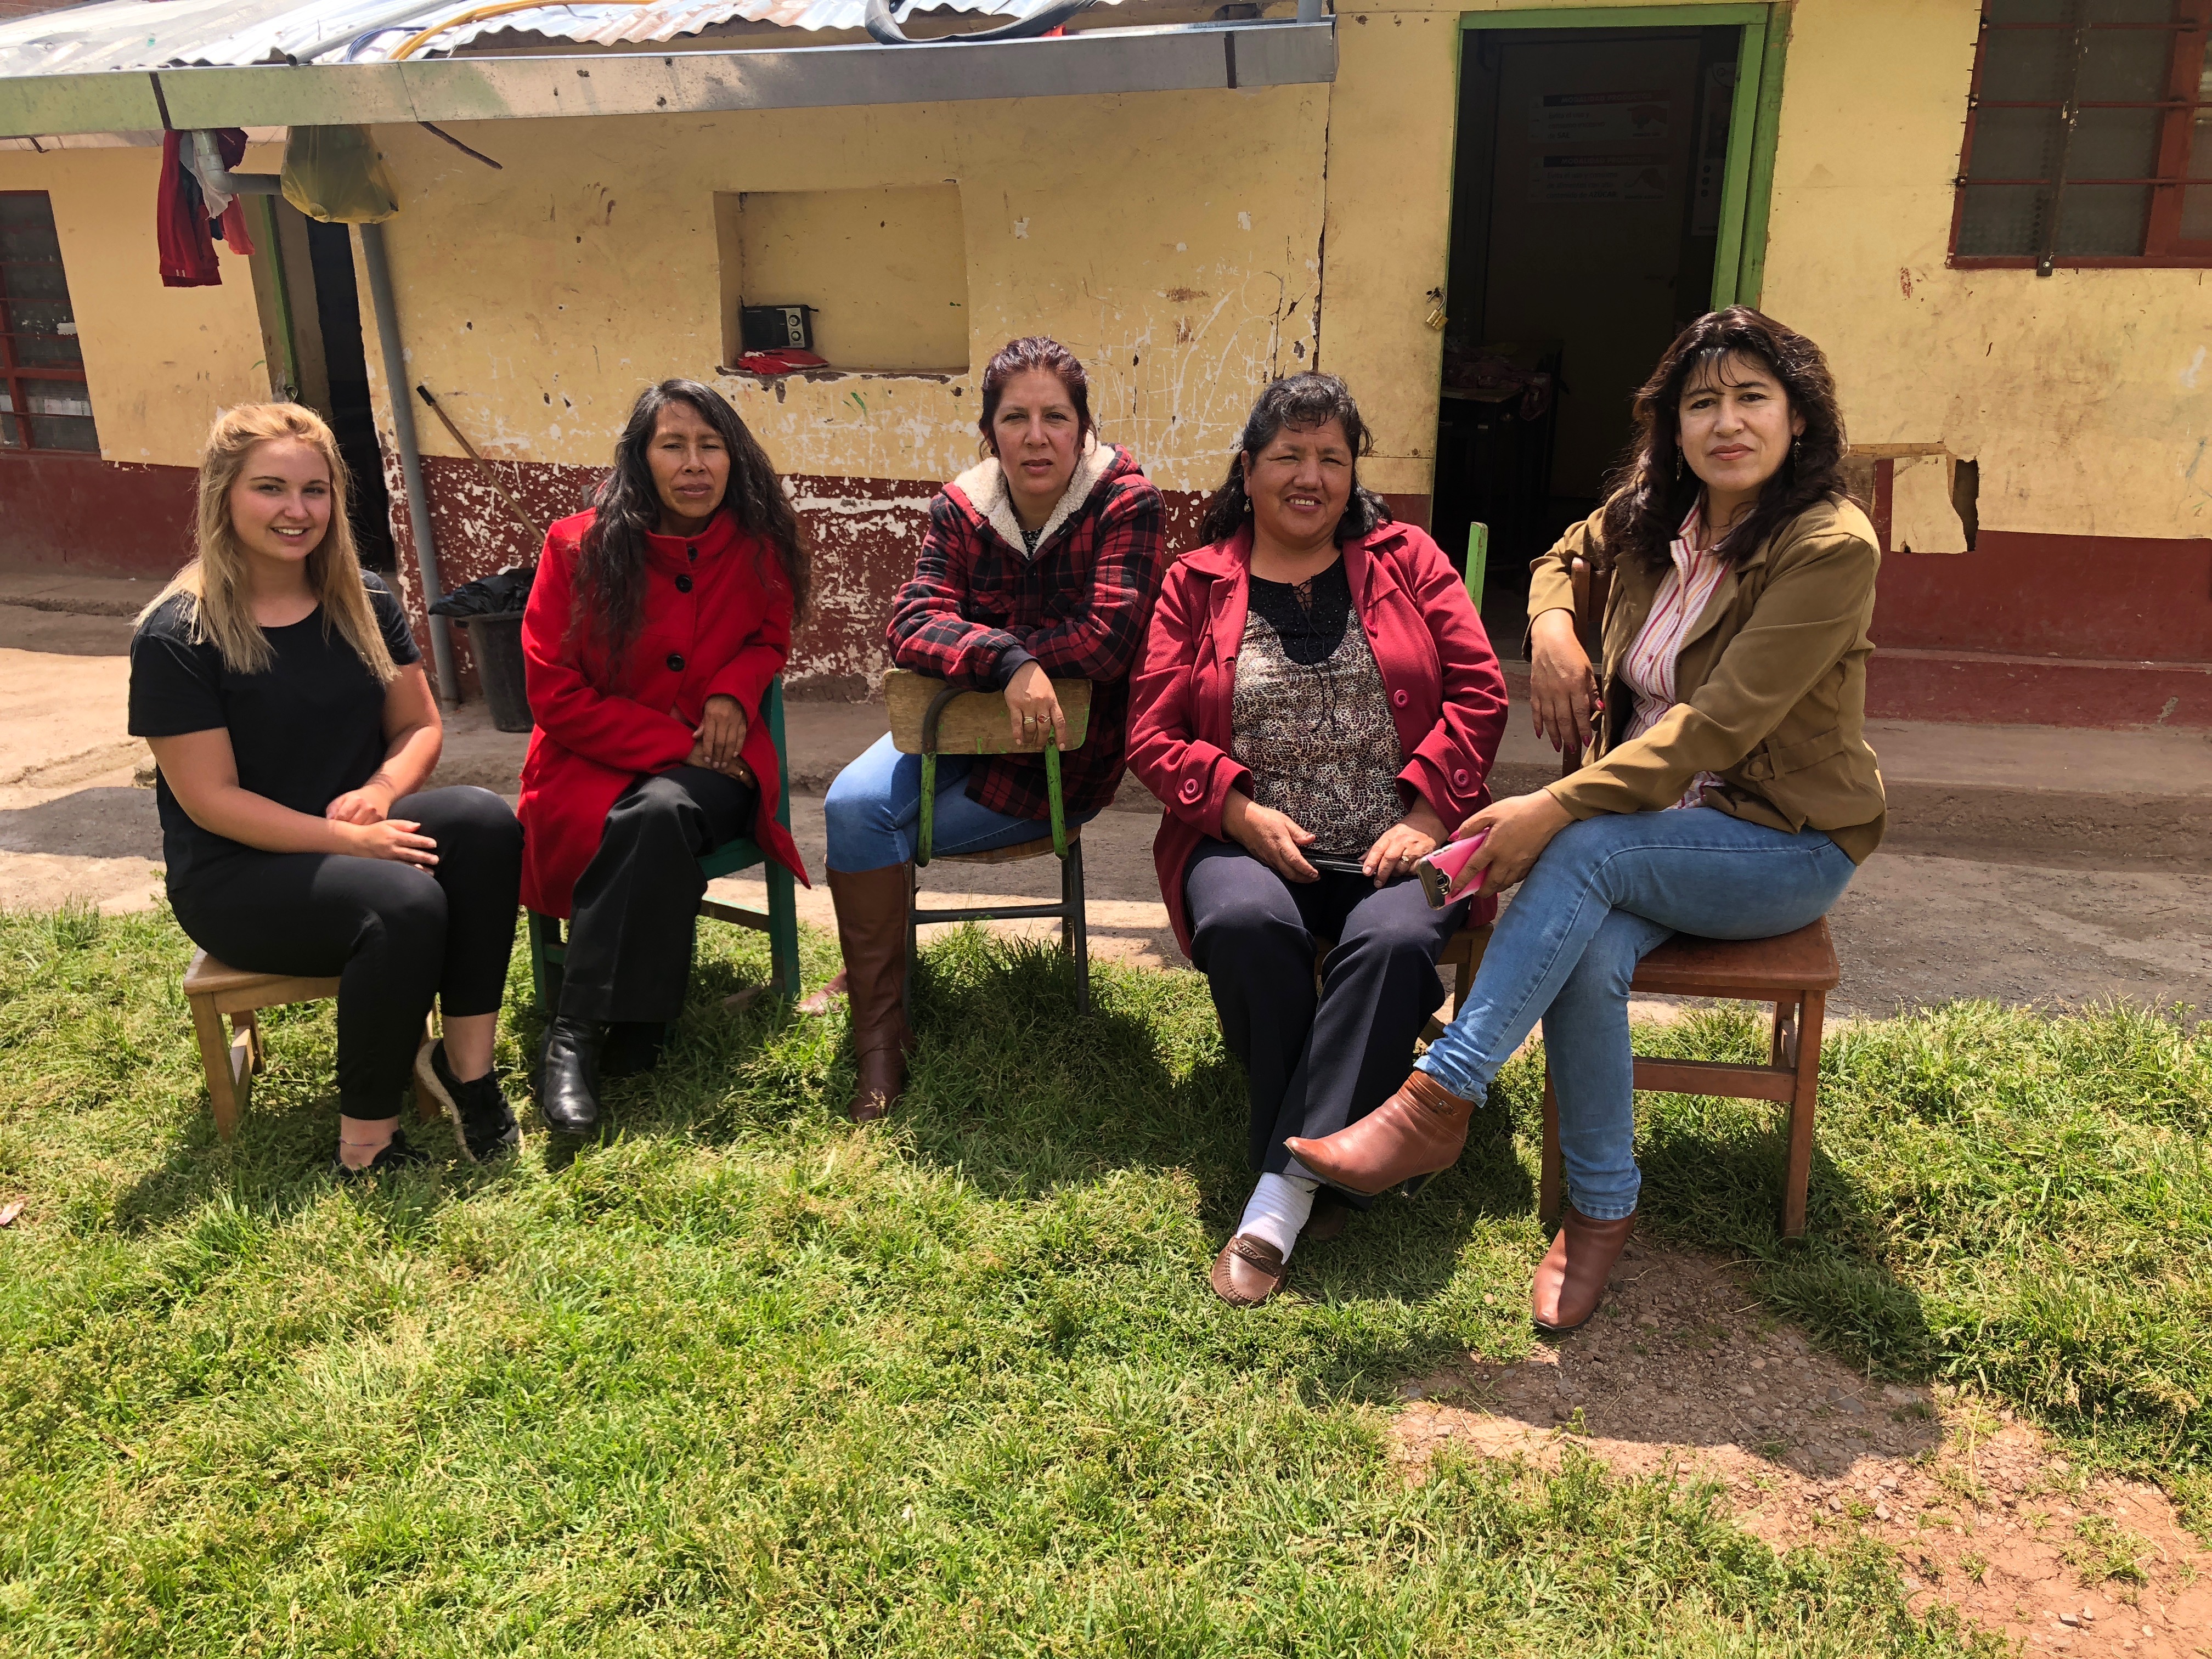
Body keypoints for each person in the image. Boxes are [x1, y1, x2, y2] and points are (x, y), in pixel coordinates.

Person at [1285, 308, 1886, 1334]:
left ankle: (1440, 1100)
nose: (1727, 423)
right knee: (1589, 947)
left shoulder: (1828, 546)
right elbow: (1564, 551)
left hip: (1782, 841)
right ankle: (1602, 1211)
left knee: (1583, 847)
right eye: (1703, 403)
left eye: (1753, 398)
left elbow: (1718, 724)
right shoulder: (1662, 513)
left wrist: (1553, 804)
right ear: (1674, 426)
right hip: (1652, 834)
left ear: (1799, 418)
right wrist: (1556, 630)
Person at [1127, 373, 1508, 1307]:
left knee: (1392, 941)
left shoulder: (1408, 559)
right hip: (1251, 844)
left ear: (1352, 473)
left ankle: (1279, 1197)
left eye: (1332, 458)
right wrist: (1237, 812)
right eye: (1289, 456)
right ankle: (1337, 1136)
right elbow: (1151, 732)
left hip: (1404, 845)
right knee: (1246, 927)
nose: (1311, 477)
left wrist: (1428, 814)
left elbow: (1480, 692)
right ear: (1248, 469)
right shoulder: (1194, 582)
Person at [129, 403, 524, 1176]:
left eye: (315, 490)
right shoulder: (179, 634)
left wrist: (380, 790)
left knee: (482, 823)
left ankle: (466, 1071)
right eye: (270, 488)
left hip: (354, 835)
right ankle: (366, 1144)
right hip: (238, 874)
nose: (298, 510)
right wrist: (350, 841)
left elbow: (419, 726)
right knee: (404, 901)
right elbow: (212, 800)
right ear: (223, 495)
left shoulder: (364, 600)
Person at [809, 336, 1167, 1121]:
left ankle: (876, 975)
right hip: (953, 736)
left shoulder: (1126, 504)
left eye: (1055, 417)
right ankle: (882, 1034)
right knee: (849, 806)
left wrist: (975, 650)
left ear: (1083, 428)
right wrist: (1008, 661)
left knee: (873, 831)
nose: (1036, 438)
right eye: (1015, 419)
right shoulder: (962, 508)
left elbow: (1107, 642)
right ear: (989, 430)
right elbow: (911, 622)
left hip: (1053, 768)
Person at [520, 379, 810, 1134]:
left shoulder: (758, 545)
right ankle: (610, 1031)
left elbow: (769, 639)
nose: (694, 464)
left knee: (659, 812)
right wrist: (678, 744)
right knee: (642, 817)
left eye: (710, 446)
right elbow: (553, 693)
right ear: (640, 458)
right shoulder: (576, 547)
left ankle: (576, 1030)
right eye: (672, 445)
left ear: (733, 457)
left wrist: (734, 692)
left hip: (715, 766)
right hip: (592, 760)